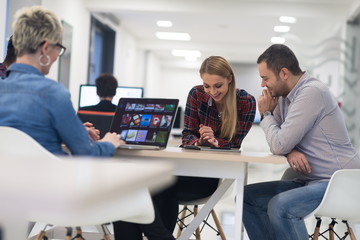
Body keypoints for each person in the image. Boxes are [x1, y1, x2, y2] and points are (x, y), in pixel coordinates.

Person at [243, 44, 360, 240]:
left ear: (284, 73)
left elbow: (279, 143)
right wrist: (291, 151)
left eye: (265, 78)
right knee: (247, 198)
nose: (263, 85)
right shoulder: (283, 97)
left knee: (281, 206)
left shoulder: (312, 92)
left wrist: (266, 114)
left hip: (340, 182)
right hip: (311, 180)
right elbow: (281, 141)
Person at [0, 6, 123, 156]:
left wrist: (74, 130)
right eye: (58, 48)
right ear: (45, 48)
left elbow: (23, 135)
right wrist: (109, 143)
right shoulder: (53, 93)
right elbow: (86, 152)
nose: (57, 55)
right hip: (49, 177)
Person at [179, 56, 256, 201]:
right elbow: (187, 135)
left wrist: (214, 141)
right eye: (206, 86)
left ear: (230, 79)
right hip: (188, 166)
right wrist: (199, 142)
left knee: (164, 193)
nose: (212, 91)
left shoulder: (246, 102)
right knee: (157, 187)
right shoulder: (196, 94)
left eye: (218, 85)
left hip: (216, 172)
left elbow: (235, 143)